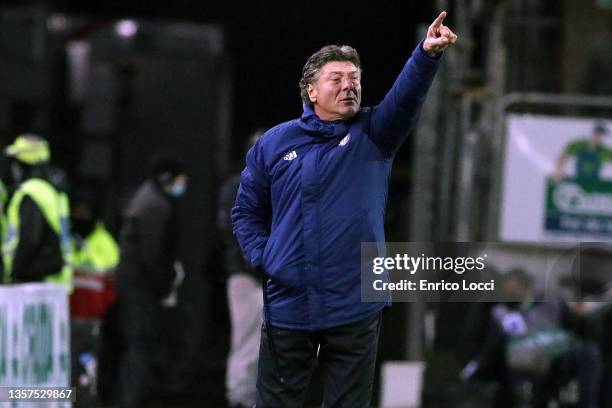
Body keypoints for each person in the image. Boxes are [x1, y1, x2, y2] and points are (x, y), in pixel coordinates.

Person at [232, 12, 457, 408]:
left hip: (354, 300)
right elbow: (245, 212)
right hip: (290, 300)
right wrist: (266, 258)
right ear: (311, 91)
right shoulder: (274, 143)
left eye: (354, 79)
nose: (349, 86)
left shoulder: (374, 133)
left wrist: (425, 55)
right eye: (336, 79)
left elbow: (405, 98)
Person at [461, 269, 602, 408]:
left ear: (525, 286)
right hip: (522, 364)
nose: (508, 292)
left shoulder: (551, 304)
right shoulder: (501, 311)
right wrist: (474, 368)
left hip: (556, 357)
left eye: (513, 288)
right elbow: (492, 345)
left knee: (588, 353)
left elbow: (576, 327)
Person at [115, 154, 188, 408]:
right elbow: (152, 253)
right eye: (180, 177)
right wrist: (162, 286)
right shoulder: (154, 204)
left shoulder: (151, 198)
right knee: (141, 345)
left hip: (139, 285)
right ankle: (129, 400)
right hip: (141, 288)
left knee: (140, 344)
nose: (183, 182)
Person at [220, 130, 265, 408]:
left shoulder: (272, 184)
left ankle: (250, 396)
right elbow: (231, 230)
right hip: (246, 273)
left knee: (262, 340)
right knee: (247, 337)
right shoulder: (238, 185)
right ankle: (239, 397)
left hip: (265, 274)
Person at [68, 189, 120, 406]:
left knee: (87, 369)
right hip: (64, 315)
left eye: (85, 211)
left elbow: (113, 282)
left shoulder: (105, 242)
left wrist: (102, 308)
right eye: (77, 211)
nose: (81, 216)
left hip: (91, 319)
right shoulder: (64, 237)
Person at [2, 134, 72, 290]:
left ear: (23, 163)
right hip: (54, 285)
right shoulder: (54, 190)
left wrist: (15, 274)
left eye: (15, 162)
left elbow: (30, 239)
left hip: (33, 284)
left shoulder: (32, 191)